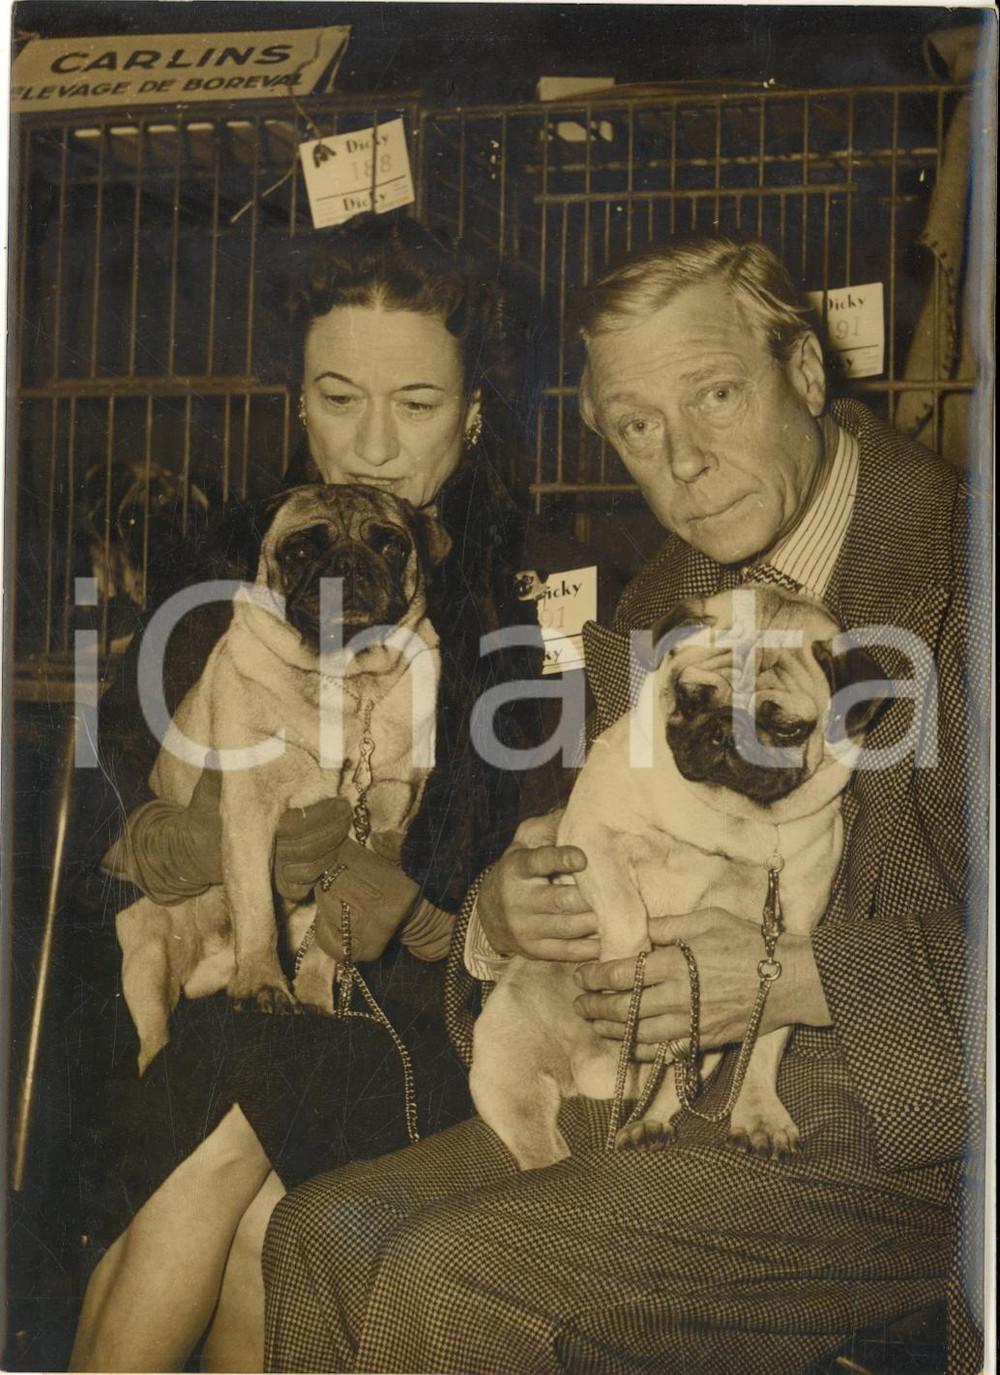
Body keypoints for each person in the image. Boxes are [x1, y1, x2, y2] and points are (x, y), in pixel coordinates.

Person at [262, 235, 987, 1375]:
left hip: (901, 1141)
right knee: (319, 1234)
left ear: (803, 372)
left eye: (714, 395)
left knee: (443, 1278)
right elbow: (563, 861)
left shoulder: (965, 566)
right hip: (647, 1088)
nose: (684, 460)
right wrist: (502, 917)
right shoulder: (655, 604)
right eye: (639, 427)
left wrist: (790, 977)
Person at [69, 212, 549, 1373]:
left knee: (239, 1169)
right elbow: (116, 831)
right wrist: (207, 846)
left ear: (476, 412)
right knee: (234, 1166)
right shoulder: (239, 560)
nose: (372, 444)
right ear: (297, 401)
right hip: (221, 968)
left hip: (423, 1017)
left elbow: (499, 880)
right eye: (338, 397)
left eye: (418, 404)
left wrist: (395, 888)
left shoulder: (528, 605)